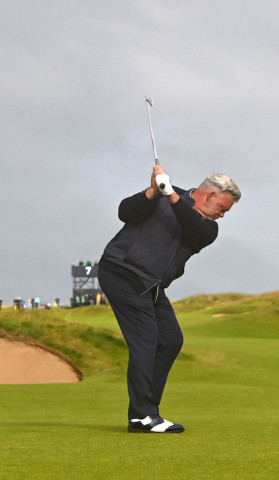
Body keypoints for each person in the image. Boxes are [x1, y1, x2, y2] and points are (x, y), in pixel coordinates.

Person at [98, 165, 240, 434]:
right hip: (122, 272)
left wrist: (170, 195)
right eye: (222, 208)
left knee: (171, 340)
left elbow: (191, 226)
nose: (222, 215)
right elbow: (124, 212)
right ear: (209, 195)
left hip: (151, 285)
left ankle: (147, 410)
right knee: (146, 340)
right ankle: (142, 416)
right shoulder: (160, 197)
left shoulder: (208, 229)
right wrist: (152, 191)